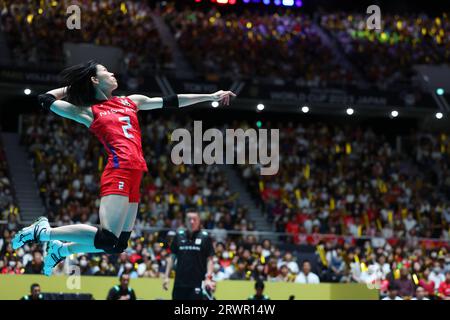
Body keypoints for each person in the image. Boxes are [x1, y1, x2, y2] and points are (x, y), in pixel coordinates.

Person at [11, 60, 236, 276]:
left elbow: (171, 100)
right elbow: (45, 99)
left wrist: (210, 96)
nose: (112, 74)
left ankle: (62, 250)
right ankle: (43, 232)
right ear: (94, 80)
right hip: (118, 169)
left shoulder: (130, 101)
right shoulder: (88, 112)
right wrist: (73, 86)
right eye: (106, 71)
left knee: (117, 245)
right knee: (107, 236)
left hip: (136, 173)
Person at [163, 211, 215, 300]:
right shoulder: (178, 236)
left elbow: (210, 259)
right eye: (189, 219)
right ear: (185, 221)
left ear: (199, 221)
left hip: (197, 283)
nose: (192, 222)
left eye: (194, 219)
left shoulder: (205, 237)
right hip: (179, 284)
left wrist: (208, 278)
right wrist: (166, 277)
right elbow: (172, 258)